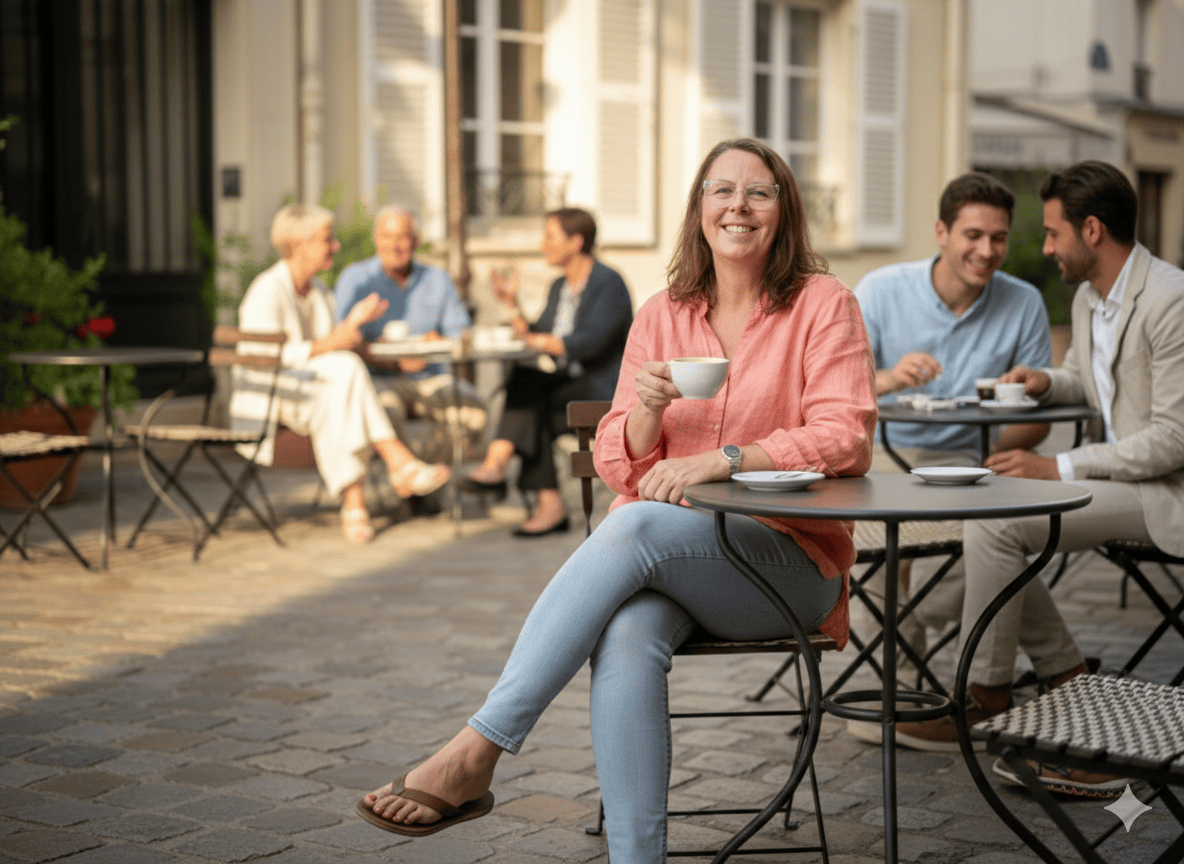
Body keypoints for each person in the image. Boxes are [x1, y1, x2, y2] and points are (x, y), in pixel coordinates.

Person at [357, 139, 878, 863]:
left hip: (788, 562)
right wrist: (645, 414)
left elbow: (844, 435)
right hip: (679, 562)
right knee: (628, 630)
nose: (738, 206)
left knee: (631, 527)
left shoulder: (824, 304)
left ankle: (478, 746)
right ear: (698, 210)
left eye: (758, 193)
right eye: (720, 191)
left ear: (783, 210)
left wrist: (722, 460)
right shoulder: (665, 313)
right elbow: (619, 460)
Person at [891, 161, 1184, 797]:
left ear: (1093, 230)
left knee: (998, 519)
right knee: (996, 514)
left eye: (1053, 234)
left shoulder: (1170, 299)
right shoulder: (1090, 298)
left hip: (1167, 491)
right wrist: (1046, 380)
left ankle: (987, 693)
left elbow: (1173, 439)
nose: (1044, 247)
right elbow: (1087, 374)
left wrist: (1060, 467)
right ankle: (1065, 679)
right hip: (1123, 477)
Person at [230, 204, 450, 544]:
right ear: (299, 245)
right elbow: (262, 360)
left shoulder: (317, 292)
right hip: (270, 399)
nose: (335, 246)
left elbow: (333, 349)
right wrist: (336, 339)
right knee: (344, 373)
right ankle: (397, 462)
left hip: (312, 397)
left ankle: (356, 505)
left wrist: (353, 328)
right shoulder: (267, 291)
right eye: (327, 239)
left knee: (341, 389)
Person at [855, 172, 1052, 469]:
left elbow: (1039, 415)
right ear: (941, 233)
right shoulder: (879, 290)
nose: (986, 251)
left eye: (998, 238)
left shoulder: (1025, 302)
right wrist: (892, 378)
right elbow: (834, 389)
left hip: (975, 459)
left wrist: (988, 456)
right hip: (881, 452)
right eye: (973, 236)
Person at [462, 207, 633, 536]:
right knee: (529, 400)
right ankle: (547, 503)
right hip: (567, 387)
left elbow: (589, 343)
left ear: (575, 242)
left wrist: (535, 339)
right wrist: (512, 305)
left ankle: (500, 463)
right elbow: (540, 332)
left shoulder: (608, 283)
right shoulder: (559, 286)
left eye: (549, 236)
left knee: (527, 392)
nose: (543, 244)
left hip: (602, 391)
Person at [334, 206, 487, 464]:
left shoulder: (437, 279)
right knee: (382, 412)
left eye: (403, 237)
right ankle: (410, 483)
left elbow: (460, 333)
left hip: (430, 377)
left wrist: (437, 344)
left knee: (474, 411)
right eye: (387, 236)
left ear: (416, 242)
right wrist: (388, 360)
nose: (395, 246)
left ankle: (428, 478)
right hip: (377, 378)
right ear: (376, 239)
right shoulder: (356, 279)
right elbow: (342, 338)